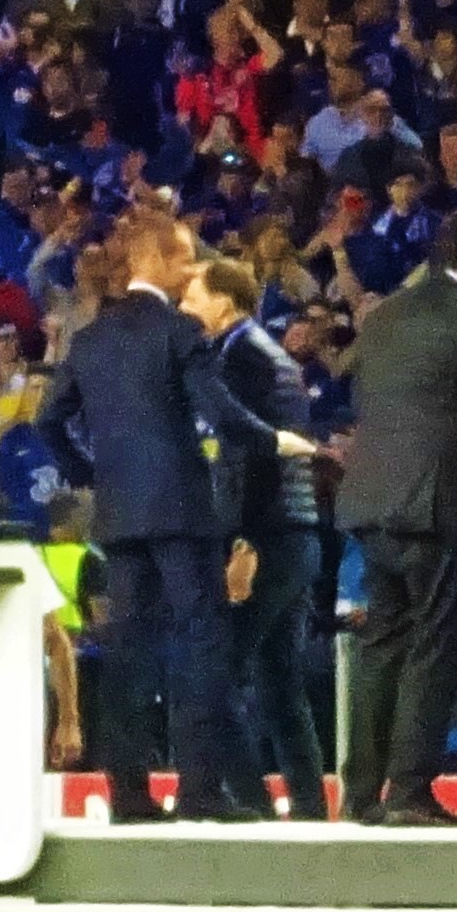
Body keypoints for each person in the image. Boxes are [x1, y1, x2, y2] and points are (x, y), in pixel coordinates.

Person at [36, 214, 309, 824]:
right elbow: (221, 411)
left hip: (120, 515)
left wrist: (92, 473)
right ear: (155, 260)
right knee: (200, 646)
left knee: (127, 653)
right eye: (184, 257)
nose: (192, 269)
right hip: (182, 512)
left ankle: (130, 797)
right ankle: (199, 793)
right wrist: (275, 441)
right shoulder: (180, 331)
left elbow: (47, 421)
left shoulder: (91, 338)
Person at [335, 206, 457, 824]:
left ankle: (362, 793)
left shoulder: (387, 314)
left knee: (381, 643)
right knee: (436, 644)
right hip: (440, 505)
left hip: (373, 500)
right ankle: (410, 790)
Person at [186, 257, 326, 819]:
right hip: (292, 532)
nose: (184, 306)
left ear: (224, 301)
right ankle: (311, 811)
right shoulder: (265, 354)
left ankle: (251, 805)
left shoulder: (243, 357)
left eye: (193, 295)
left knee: (216, 671)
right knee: (280, 682)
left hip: (265, 536)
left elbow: (252, 453)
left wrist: (242, 543)